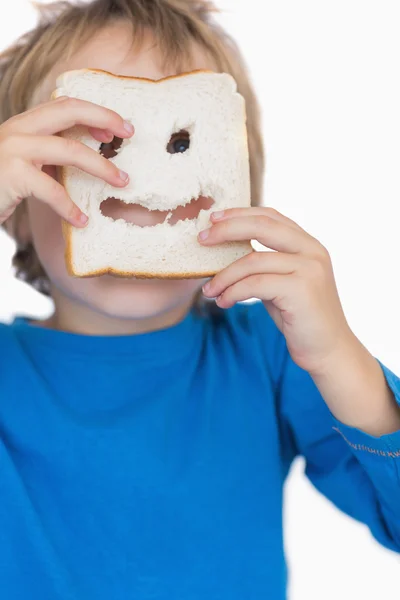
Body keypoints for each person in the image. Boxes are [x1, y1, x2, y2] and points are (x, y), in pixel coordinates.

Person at [0, 1, 399, 598]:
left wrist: (339, 356)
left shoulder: (272, 353)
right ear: (18, 210)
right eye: (97, 148)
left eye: (183, 143)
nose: (142, 186)